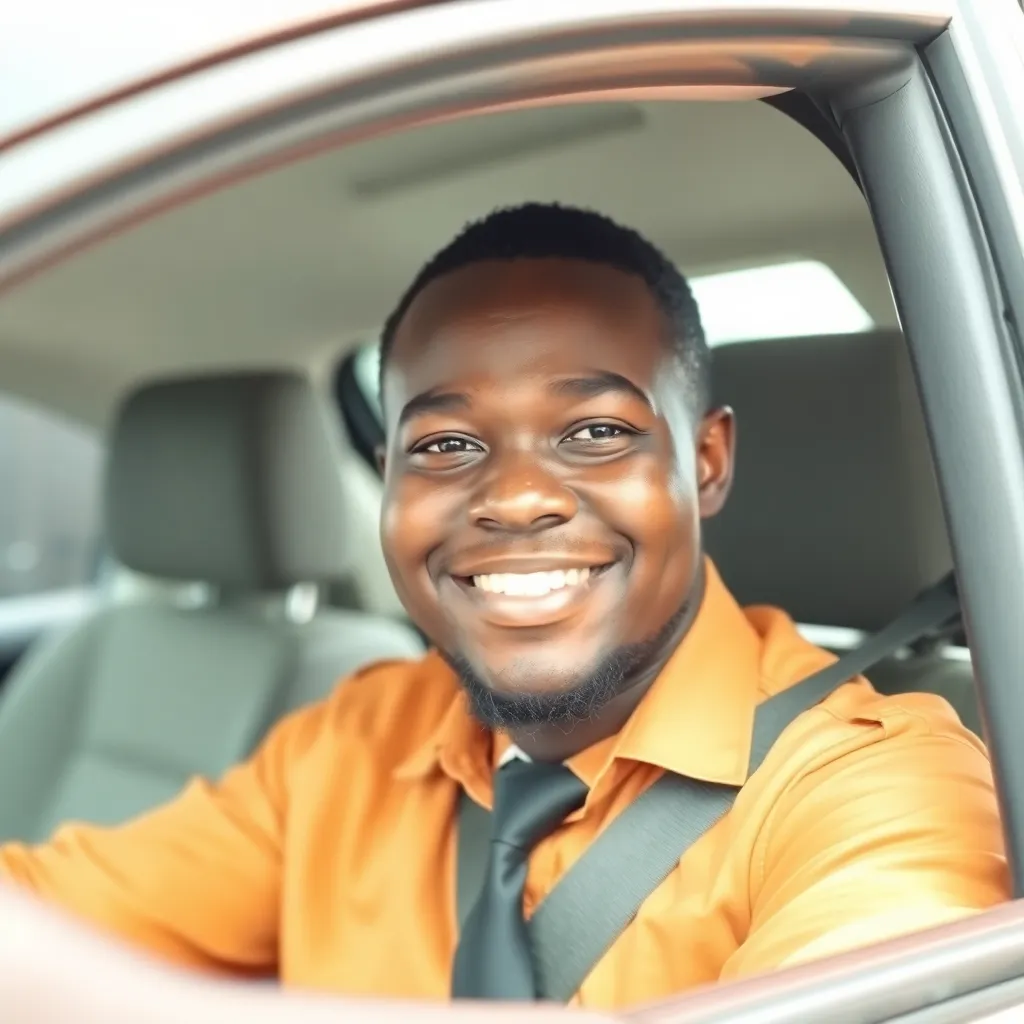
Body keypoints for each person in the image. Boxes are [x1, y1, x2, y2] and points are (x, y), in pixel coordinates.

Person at [0, 204, 1008, 1021]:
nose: (516, 496)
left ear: (703, 463)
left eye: (595, 430)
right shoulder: (356, 737)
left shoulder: (879, 781)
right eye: (443, 446)